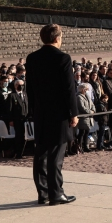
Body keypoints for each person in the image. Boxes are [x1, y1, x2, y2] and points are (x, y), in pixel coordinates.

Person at [26, 24, 78, 205]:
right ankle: (56, 193)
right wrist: (74, 112)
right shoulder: (63, 58)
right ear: (57, 38)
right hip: (60, 114)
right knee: (56, 155)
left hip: (41, 112)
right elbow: (69, 89)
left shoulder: (32, 58)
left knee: (40, 154)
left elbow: (29, 89)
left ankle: (43, 193)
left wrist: (34, 110)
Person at [9, 79, 29, 159]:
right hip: (17, 119)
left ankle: (23, 152)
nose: (21, 86)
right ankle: (18, 153)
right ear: (15, 86)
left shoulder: (25, 94)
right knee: (19, 136)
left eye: (22, 85)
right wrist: (10, 120)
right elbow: (9, 109)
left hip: (25, 118)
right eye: (19, 85)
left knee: (25, 136)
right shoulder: (12, 95)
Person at [76, 83, 95, 152]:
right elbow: (82, 107)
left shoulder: (87, 96)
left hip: (89, 117)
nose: (87, 90)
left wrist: (93, 110)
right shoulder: (79, 97)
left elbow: (92, 104)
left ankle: (86, 146)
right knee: (82, 132)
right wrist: (90, 112)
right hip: (83, 118)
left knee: (87, 132)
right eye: (86, 89)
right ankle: (80, 146)